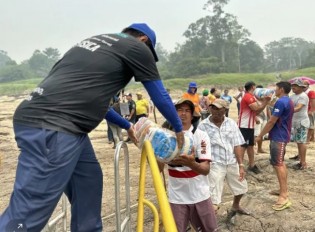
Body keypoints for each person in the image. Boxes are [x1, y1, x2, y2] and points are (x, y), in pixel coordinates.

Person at [0, 23, 184, 232]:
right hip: (54, 127)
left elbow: (99, 103)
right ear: (144, 40)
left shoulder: (93, 43)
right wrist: (179, 129)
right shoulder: (138, 47)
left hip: (62, 125)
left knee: (88, 181)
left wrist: (127, 125)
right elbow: (159, 95)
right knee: (26, 215)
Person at [159, 98, 218, 232]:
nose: (183, 114)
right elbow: (158, 170)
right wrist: (159, 152)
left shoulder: (201, 136)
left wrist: (191, 163)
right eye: (179, 110)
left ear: (192, 115)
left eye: (187, 110)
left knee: (210, 229)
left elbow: (205, 170)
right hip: (177, 197)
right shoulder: (167, 137)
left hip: (200, 195)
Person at [198, 99, 250, 216]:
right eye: (213, 108)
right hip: (215, 164)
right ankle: (211, 223)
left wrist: (241, 165)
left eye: (218, 109)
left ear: (225, 110)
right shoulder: (203, 126)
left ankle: (236, 206)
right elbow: (200, 148)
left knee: (241, 187)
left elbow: (237, 144)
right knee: (213, 198)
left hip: (231, 162)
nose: (215, 111)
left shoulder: (231, 123)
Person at [255, 81, 294, 211]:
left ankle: (284, 195)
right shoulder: (286, 101)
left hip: (279, 136)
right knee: (280, 163)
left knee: (278, 164)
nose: (274, 90)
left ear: (281, 89)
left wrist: (260, 135)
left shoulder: (282, 102)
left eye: (276, 88)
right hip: (280, 135)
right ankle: (283, 189)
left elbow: (272, 121)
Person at [238, 81, 270, 174]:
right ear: (253, 87)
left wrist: (264, 102)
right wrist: (265, 102)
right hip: (244, 126)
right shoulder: (248, 96)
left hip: (249, 125)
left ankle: (252, 165)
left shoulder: (251, 97)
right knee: (243, 146)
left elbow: (255, 110)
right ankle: (238, 166)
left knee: (250, 146)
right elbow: (256, 109)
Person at [289, 79, 310, 170]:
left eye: (296, 86)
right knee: (299, 142)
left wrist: (285, 110)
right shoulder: (292, 96)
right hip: (295, 122)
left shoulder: (303, 96)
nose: (293, 87)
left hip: (302, 122)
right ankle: (300, 160)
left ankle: (303, 162)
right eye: (293, 85)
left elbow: (298, 108)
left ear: (302, 87)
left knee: (301, 142)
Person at [254, 85, 268, 154]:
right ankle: (254, 149)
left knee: (261, 134)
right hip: (258, 117)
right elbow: (252, 110)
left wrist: (269, 117)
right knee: (256, 134)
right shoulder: (254, 99)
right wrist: (255, 117)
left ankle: (259, 148)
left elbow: (267, 109)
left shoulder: (265, 99)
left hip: (264, 118)